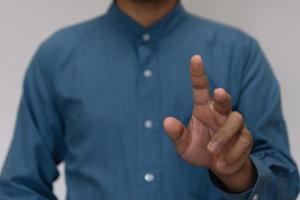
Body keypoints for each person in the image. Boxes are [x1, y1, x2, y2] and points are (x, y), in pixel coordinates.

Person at [0, 0, 299, 199]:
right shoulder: (57, 56)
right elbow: (18, 187)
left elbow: (283, 183)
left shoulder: (240, 53)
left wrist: (237, 172)